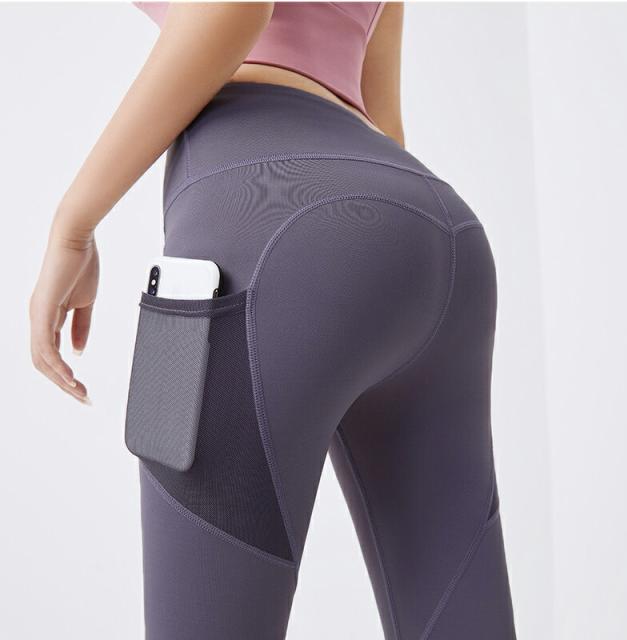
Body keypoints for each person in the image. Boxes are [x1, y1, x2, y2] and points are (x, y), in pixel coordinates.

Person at [29, 3, 517, 638]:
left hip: (256, 235)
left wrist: (73, 225)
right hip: (435, 234)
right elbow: (382, 118)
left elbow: (234, 7)